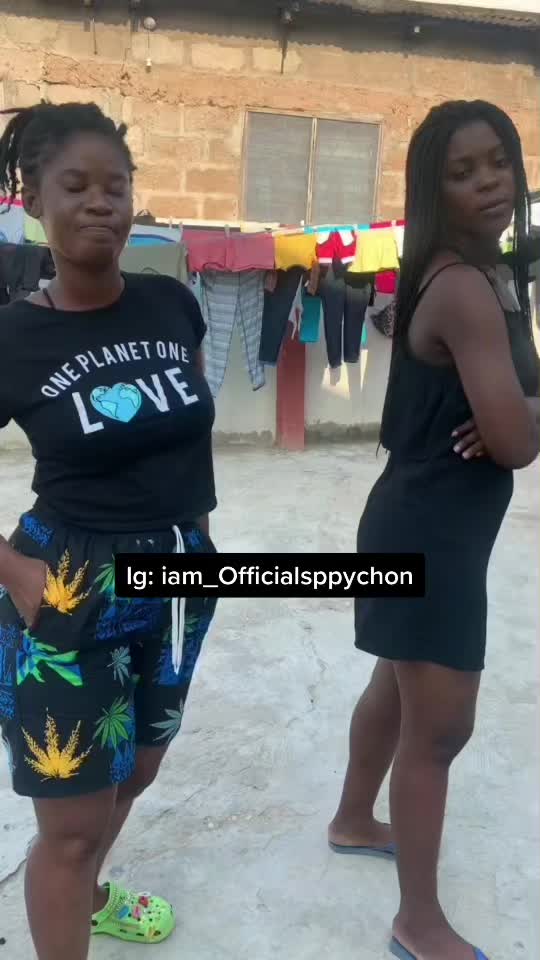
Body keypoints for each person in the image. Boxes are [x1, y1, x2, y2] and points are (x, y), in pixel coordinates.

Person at [0, 102, 218, 960]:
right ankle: (74, 885)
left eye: (116, 186)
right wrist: (12, 570)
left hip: (181, 578)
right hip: (72, 585)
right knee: (70, 826)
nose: (101, 202)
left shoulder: (173, 305)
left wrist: (199, 543)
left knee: (137, 767)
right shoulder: (15, 336)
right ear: (32, 200)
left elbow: (188, 436)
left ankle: (90, 897)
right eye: (77, 185)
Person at [328, 100, 539, 960]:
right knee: (440, 730)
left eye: (499, 161)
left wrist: (517, 410)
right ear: (432, 189)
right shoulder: (463, 288)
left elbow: (516, 414)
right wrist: (519, 415)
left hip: (420, 522)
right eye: (462, 172)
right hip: (430, 537)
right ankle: (418, 922)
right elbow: (517, 443)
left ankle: (352, 819)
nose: (488, 182)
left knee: (395, 683)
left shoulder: (490, 273)